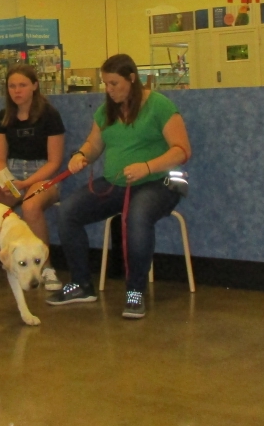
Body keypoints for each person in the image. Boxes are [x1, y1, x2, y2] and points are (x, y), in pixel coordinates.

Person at [46, 53, 191, 320]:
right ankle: (81, 284)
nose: (109, 90)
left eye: (114, 83)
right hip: (116, 184)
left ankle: (135, 291)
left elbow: (182, 150)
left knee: (136, 216)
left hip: (159, 183)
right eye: (106, 84)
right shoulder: (106, 111)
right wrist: (81, 155)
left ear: (132, 79)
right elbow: (94, 145)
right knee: (67, 211)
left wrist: (147, 167)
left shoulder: (159, 105)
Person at [0, 65, 66, 290]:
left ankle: (46, 268)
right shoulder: (4, 117)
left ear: (34, 86)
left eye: (22, 85)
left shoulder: (50, 115)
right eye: (12, 86)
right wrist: (5, 180)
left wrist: (26, 183)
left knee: (30, 206)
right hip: (12, 176)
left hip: (43, 177)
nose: (17, 91)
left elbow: (54, 162)